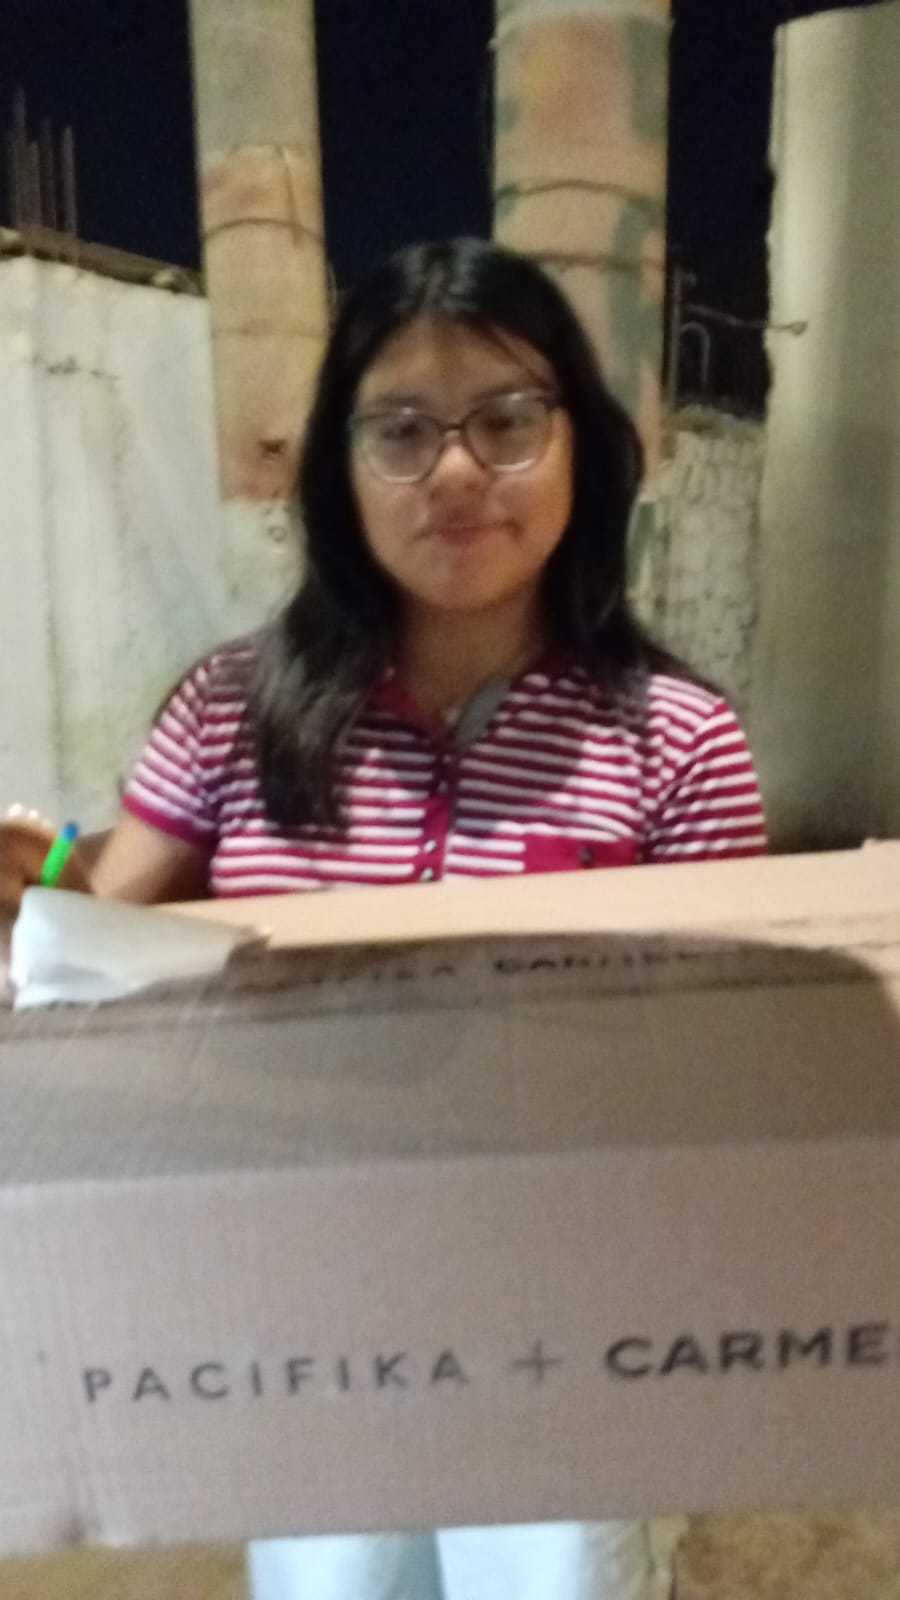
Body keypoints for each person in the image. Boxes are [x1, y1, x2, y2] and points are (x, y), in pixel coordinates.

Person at [0, 237, 766, 1599]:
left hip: (569, 1322)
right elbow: (90, 945)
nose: (456, 472)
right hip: (297, 1308)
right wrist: (34, 896)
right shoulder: (230, 712)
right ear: (339, 472)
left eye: (507, 420)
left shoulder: (680, 742)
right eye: (402, 430)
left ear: (580, 448)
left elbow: (730, 1058)